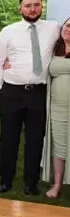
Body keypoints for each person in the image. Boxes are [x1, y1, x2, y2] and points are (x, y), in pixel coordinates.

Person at [0, 0, 61, 195]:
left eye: (37, 5)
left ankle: (31, 183)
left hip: (38, 93)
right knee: (9, 138)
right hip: (11, 91)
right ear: (20, 8)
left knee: (35, 139)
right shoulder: (8, 31)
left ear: (42, 7)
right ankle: (5, 180)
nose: (33, 9)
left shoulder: (54, 28)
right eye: (28, 5)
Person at [42, 17, 70, 198]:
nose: (69, 30)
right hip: (57, 107)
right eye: (68, 25)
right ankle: (57, 184)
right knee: (59, 145)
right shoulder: (53, 47)